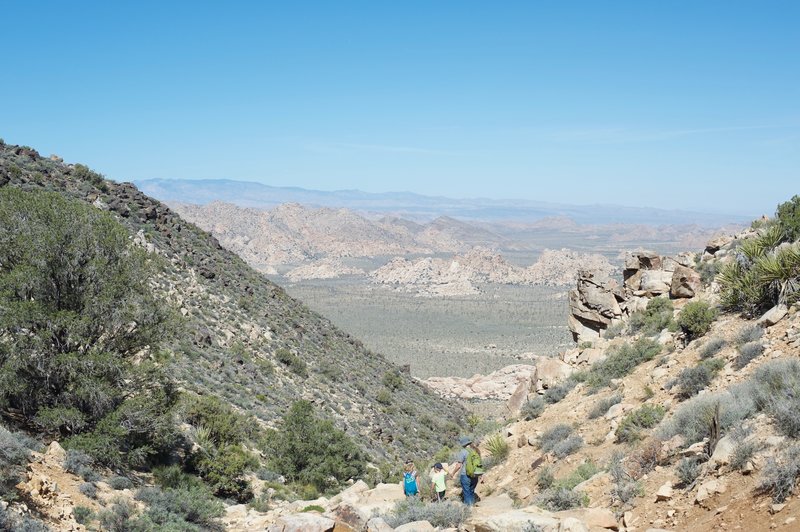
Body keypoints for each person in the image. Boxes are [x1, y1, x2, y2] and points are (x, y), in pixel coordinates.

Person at [450, 436, 481, 505]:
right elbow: (479, 463)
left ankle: (469, 508)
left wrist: (453, 473)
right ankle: (472, 504)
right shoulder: (476, 450)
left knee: (466, 492)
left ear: (463, 444)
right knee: (471, 491)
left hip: (465, 475)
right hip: (475, 474)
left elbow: (458, 465)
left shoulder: (463, 452)